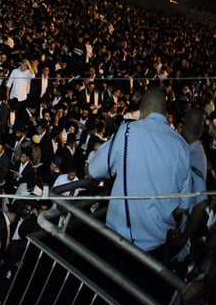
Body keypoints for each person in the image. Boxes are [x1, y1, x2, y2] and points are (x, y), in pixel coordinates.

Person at [86, 87, 202, 255]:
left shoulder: (127, 131)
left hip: (119, 243)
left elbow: (93, 171)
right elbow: (183, 206)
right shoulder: (182, 147)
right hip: (157, 251)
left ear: (141, 111)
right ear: (165, 113)